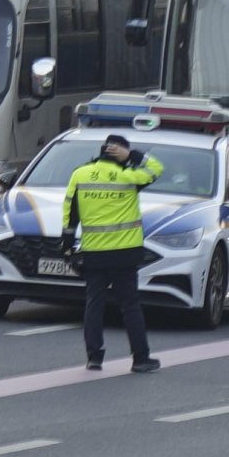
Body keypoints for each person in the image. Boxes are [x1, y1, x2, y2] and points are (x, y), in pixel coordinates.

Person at [63, 134, 163, 373]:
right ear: (121, 153)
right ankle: (140, 359)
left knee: (94, 304)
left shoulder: (81, 174)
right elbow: (157, 169)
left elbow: (70, 212)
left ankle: (94, 358)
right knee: (130, 306)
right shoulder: (130, 176)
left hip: (95, 252)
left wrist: (67, 245)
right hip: (125, 253)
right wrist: (133, 156)